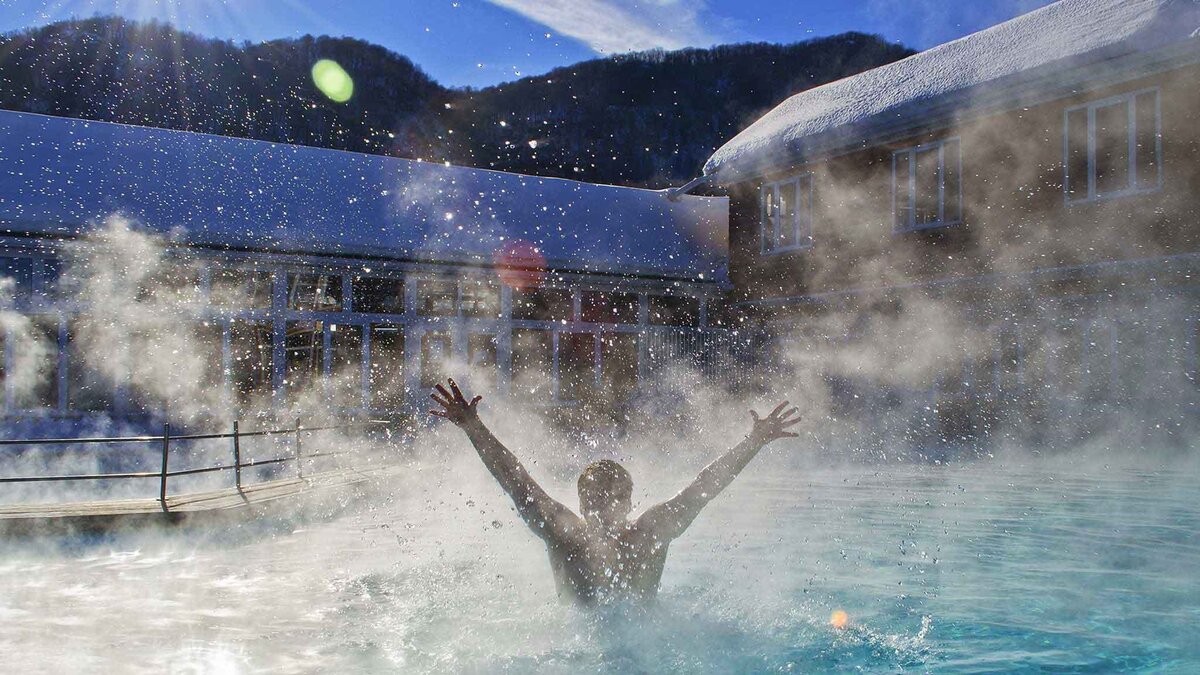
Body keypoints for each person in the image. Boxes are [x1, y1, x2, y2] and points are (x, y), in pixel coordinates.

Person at [429, 378, 801, 605]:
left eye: (612, 499)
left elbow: (703, 488)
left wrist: (754, 442)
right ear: (580, 502)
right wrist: (473, 428)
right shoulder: (562, 532)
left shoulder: (651, 531)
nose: (601, 509)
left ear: (629, 502)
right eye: (593, 500)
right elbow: (516, 482)